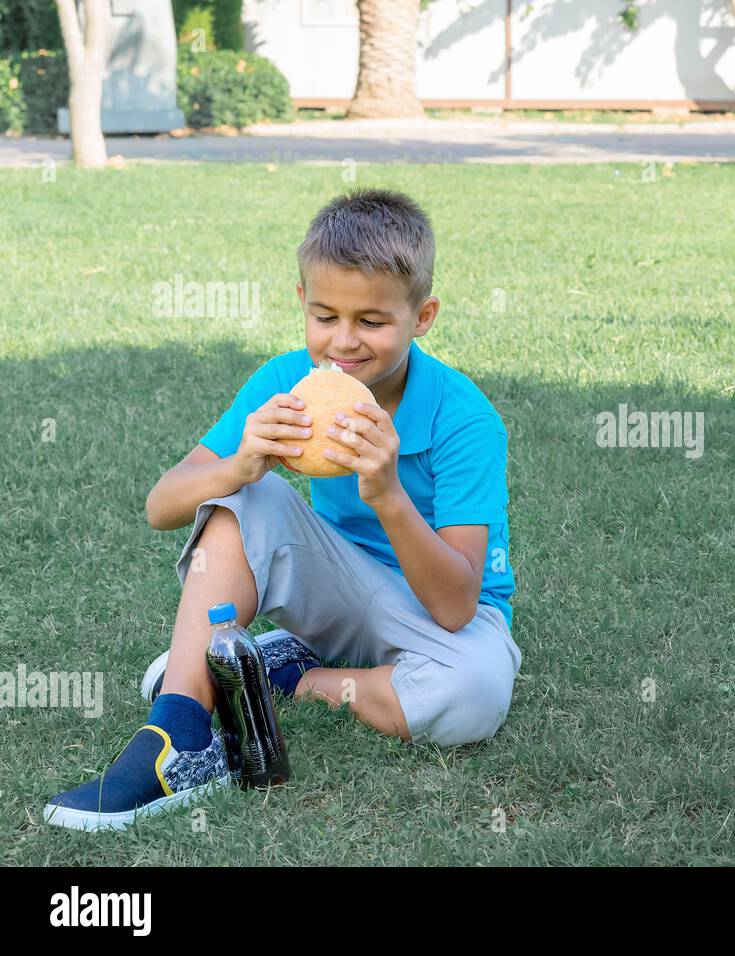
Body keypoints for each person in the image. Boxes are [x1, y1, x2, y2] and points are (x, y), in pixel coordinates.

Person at [45, 188, 519, 831]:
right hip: (336, 593)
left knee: (478, 692)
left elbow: (457, 605)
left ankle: (283, 676)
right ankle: (181, 730)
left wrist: (388, 494)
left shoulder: (466, 420)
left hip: (436, 616)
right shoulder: (286, 382)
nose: (343, 344)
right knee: (250, 492)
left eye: (372, 322)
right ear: (302, 302)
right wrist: (238, 466)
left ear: (423, 316)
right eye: (325, 316)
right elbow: (161, 505)